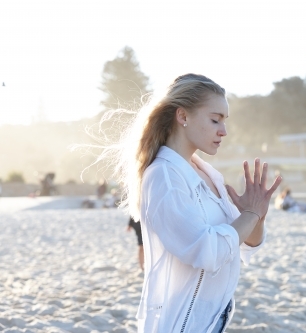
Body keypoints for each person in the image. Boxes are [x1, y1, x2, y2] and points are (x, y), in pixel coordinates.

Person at [96, 74, 281, 332]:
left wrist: (257, 214)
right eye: (215, 119)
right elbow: (208, 250)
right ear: (183, 116)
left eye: (225, 121)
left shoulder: (207, 173)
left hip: (212, 319)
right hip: (182, 323)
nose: (223, 131)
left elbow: (246, 244)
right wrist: (249, 214)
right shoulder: (164, 176)